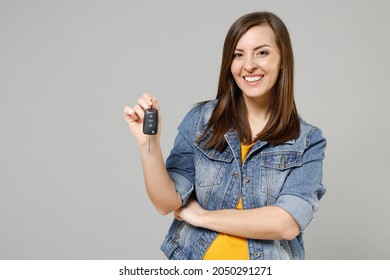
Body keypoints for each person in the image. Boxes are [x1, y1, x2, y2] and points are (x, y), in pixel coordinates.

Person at [124, 11, 326, 260]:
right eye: (238, 54)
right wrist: (149, 145)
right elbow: (167, 203)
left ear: (283, 59)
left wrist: (201, 216)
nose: (248, 65)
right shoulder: (200, 120)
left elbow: (286, 223)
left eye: (262, 52)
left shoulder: (307, 140)